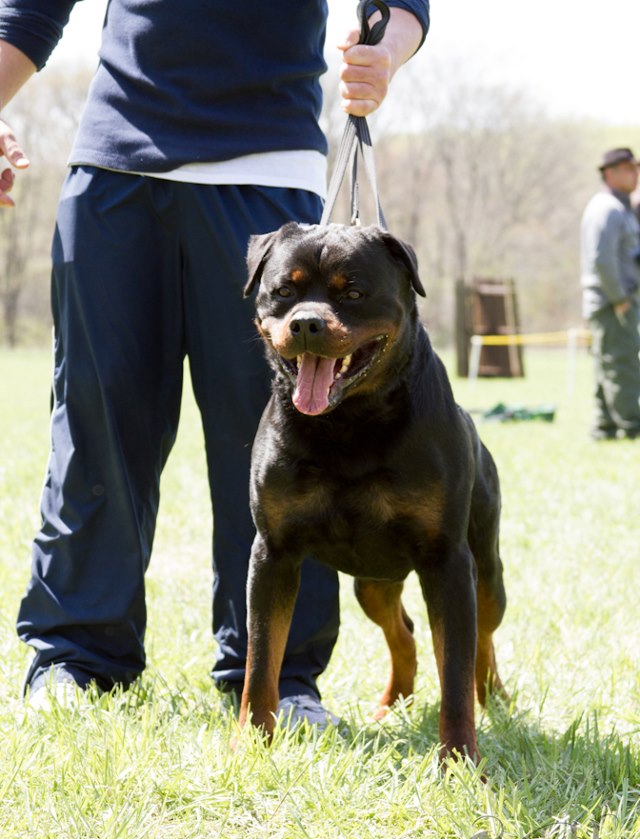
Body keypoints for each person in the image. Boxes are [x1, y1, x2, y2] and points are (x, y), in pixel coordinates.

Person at [0, 1, 430, 720]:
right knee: (97, 421)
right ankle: (75, 656)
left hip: (266, 178)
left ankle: (282, 676)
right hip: (112, 169)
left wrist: (387, 53)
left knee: (285, 438)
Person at [581, 147, 640, 440]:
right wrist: (619, 299)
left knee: (610, 364)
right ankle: (631, 426)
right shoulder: (607, 209)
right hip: (612, 302)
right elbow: (602, 260)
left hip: (614, 300)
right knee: (623, 364)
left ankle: (605, 427)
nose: (635, 173)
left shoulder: (621, 207)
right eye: (628, 168)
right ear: (610, 173)